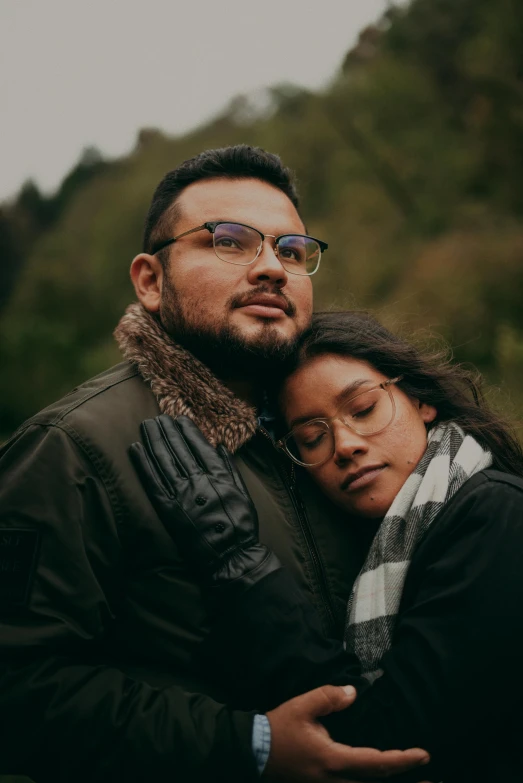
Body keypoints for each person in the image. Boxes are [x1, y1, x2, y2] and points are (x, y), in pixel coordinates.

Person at [0, 146, 430, 783]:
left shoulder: (336, 434)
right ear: (150, 280)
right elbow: (17, 689)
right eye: (229, 242)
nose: (271, 269)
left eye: (290, 250)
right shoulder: (73, 449)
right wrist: (247, 746)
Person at [132, 310, 523, 783]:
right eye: (312, 437)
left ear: (420, 399)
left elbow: (385, 741)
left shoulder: (495, 516)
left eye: (363, 410)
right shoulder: (370, 542)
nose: (345, 445)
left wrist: (236, 558)